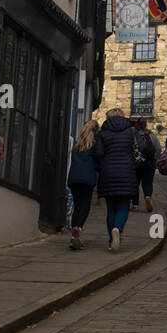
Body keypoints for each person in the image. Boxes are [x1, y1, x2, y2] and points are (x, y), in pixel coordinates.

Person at [91, 107, 140, 251]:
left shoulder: (103, 133)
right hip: (127, 172)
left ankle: (111, 239)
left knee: (111, 208)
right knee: (123, 206)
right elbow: (142, 148)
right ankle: (117, 229)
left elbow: (98, 154)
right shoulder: (131, 131)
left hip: (108, 172)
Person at [66, 118, 100, 250]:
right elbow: (98, 160)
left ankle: (74, 237)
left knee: (77, 205)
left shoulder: (76, 144)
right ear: (95, 130)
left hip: (74, 179)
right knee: (85, 205)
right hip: (87, 179)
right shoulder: (95, 145)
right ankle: (78, 227)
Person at [133, 117, 159, 213]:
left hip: (137, 162)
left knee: (135, 183)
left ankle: (135, 204)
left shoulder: (134, 135)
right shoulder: (151, 135)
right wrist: (155, 159)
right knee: (148, 182)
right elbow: (158, 148)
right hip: (149, 161)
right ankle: (147, 196)